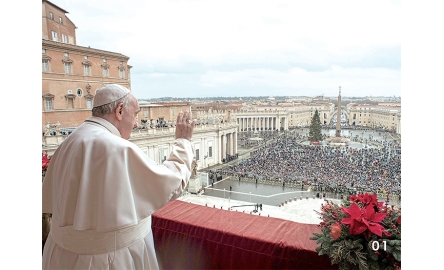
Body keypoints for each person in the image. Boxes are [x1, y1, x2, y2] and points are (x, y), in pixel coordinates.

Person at [42, 84, 195, 270]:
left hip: (61, 256)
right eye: (136, 114)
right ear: (120, 110)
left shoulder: (69, 141)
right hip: (110, 260)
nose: (137, 123)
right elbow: (173, 182)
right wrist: (183, 142)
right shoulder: (118, 148)